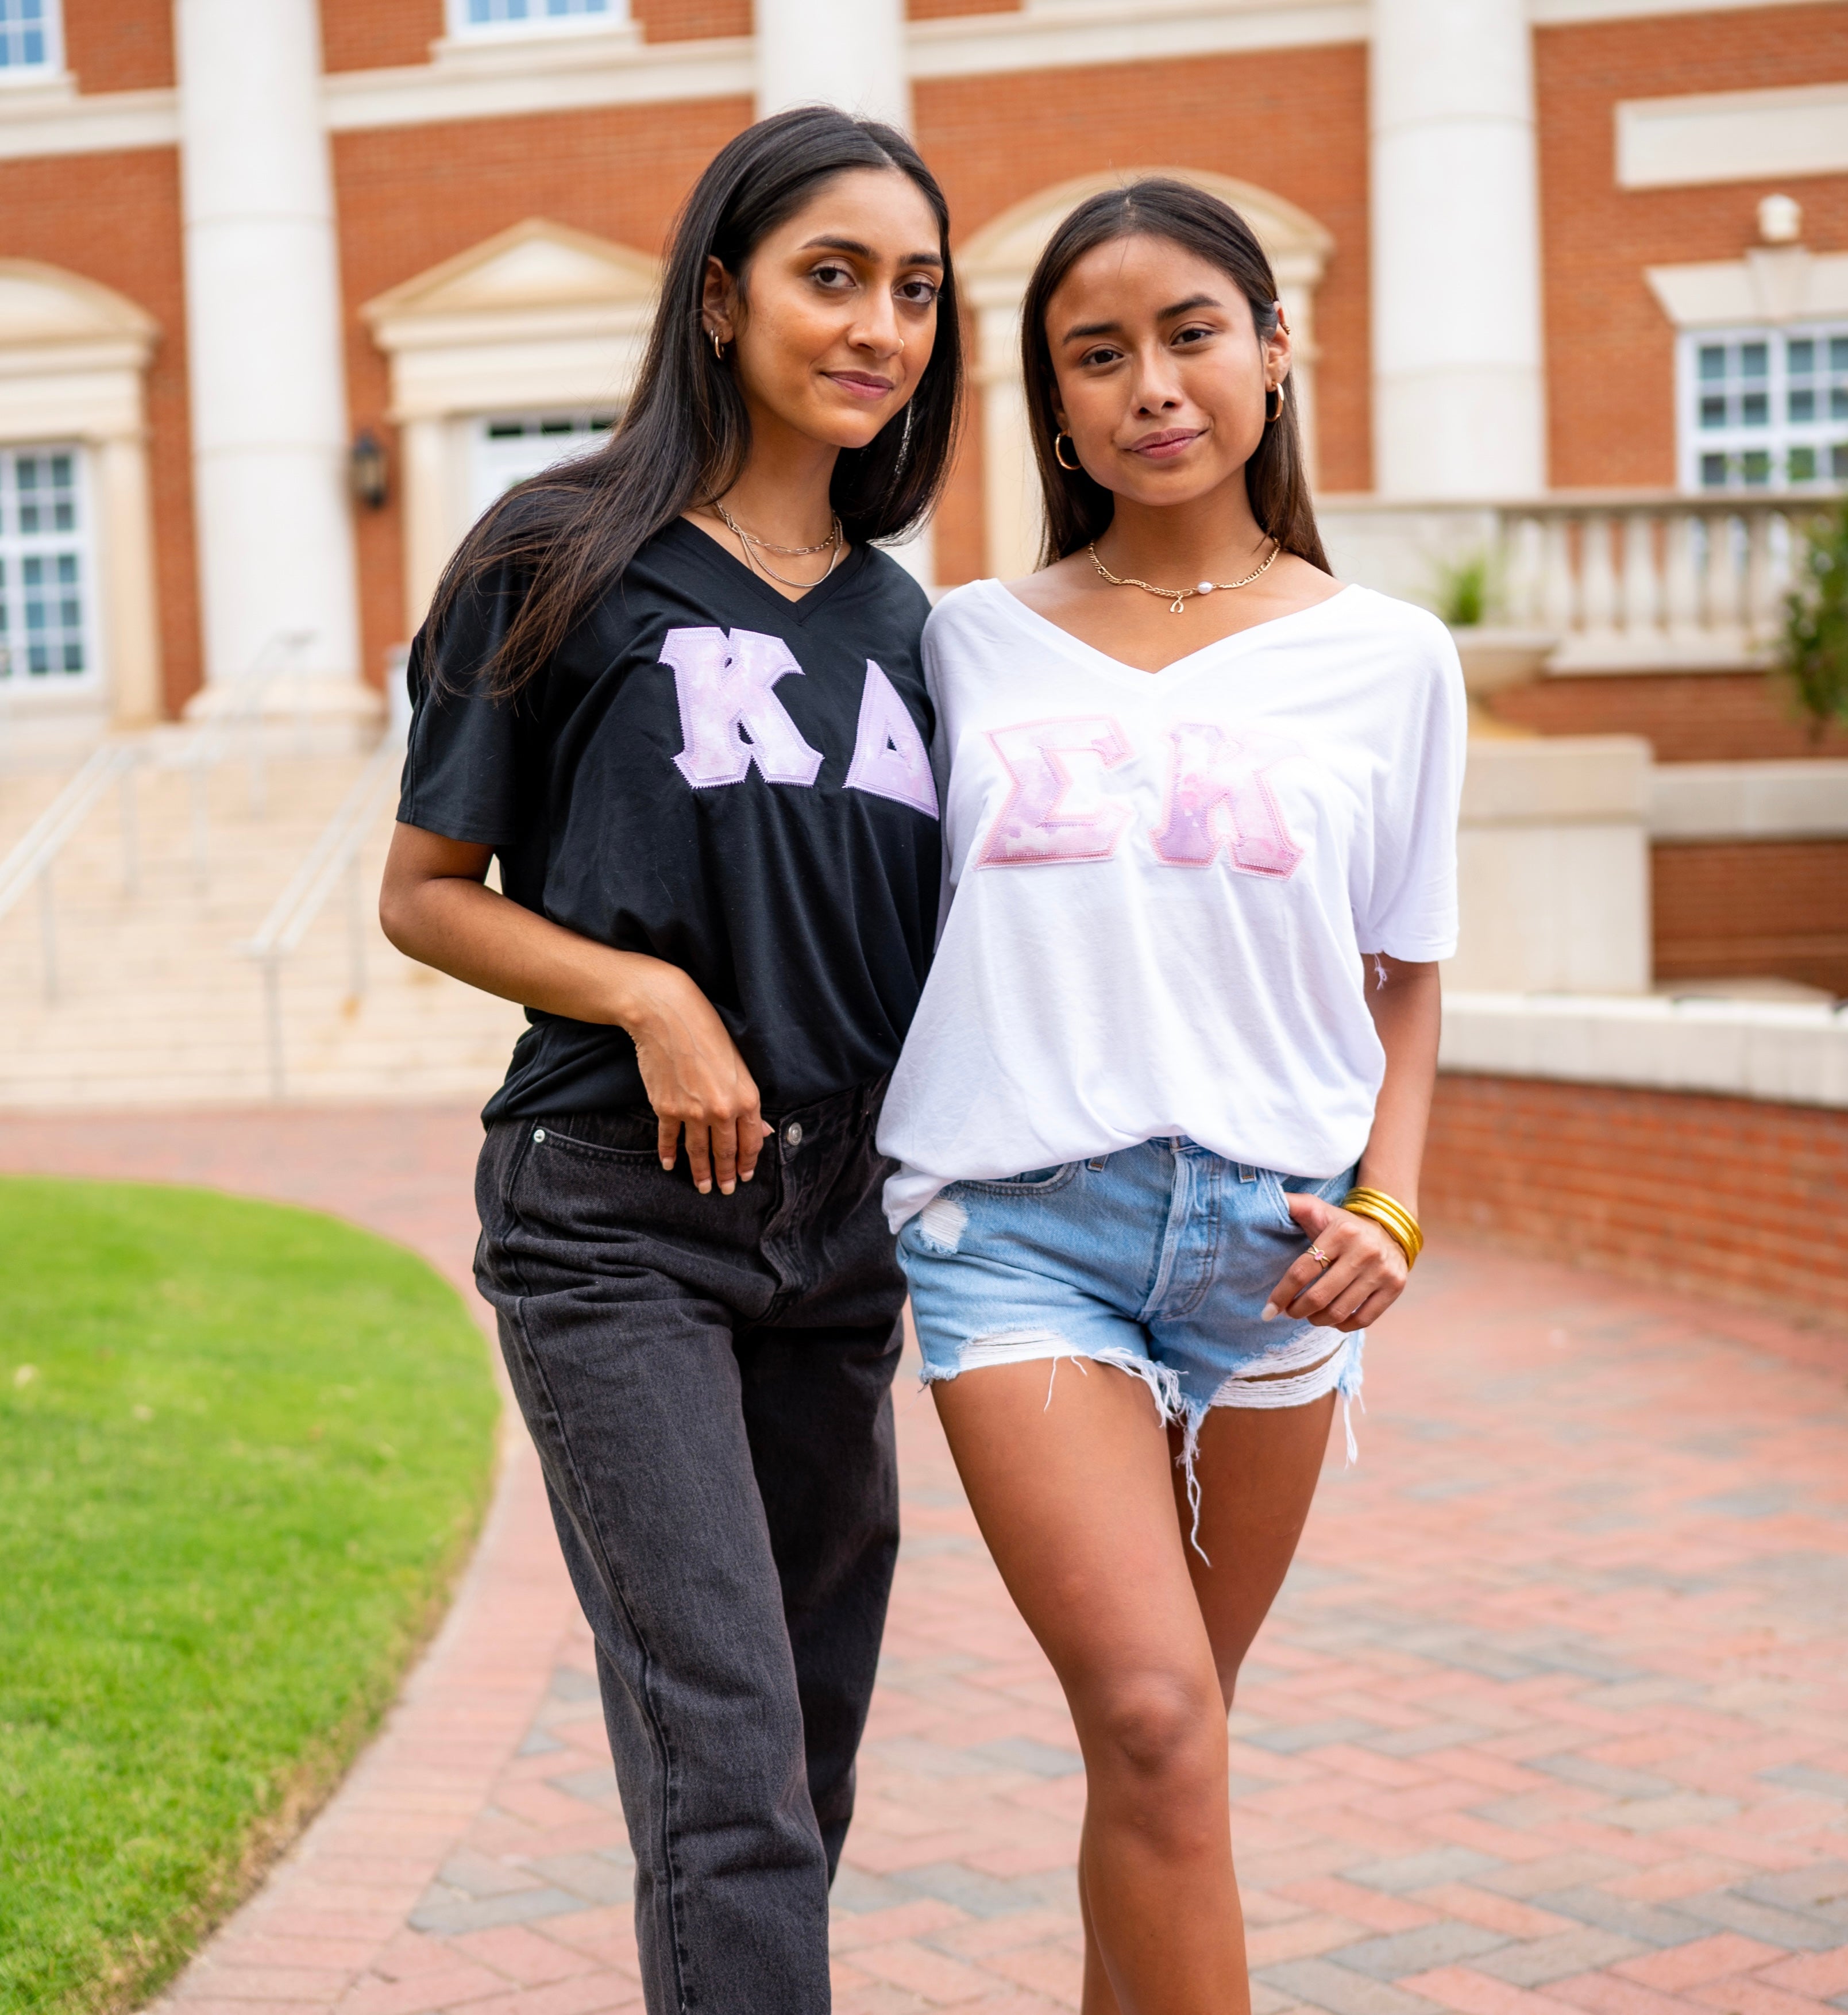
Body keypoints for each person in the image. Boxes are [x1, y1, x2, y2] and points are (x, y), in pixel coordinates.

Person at [378, 107, 962, 2015]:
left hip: (838, 1227)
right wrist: (647, 994)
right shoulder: (562, 552)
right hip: (615, 1217)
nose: (879, 325)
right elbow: (426, 892)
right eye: (831, 276)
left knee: (801, 1750)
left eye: (915, 291)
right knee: (727, 1764)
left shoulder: (911, 626)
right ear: (718, 298)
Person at [877, 179, 1464, 2014]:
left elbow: (1410, 969)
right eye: (1096, 352)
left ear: (1273, 354)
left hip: (1277, 1253)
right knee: (1146, 1712)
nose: (1151, 384)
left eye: (1191, 332)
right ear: (1050, 405)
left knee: (1172, 1751)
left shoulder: (1389, 658)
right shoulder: (956, 643)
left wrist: (1392, 1203)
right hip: (1014, 1230)